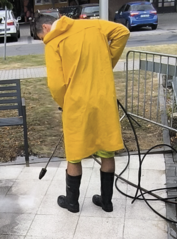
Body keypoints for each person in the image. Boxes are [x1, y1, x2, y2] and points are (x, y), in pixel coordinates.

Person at [37, 12, 130, 213]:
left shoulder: (53, 43)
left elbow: (55, 84)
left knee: (74, 155)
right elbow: (122, 32)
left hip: (76, 104)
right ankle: (106, 203)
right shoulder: (91, 25)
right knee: (106, 149)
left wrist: (64, 102)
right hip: (103, 99)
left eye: (41, 38)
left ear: (45, 28)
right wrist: (106, 62)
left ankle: (72, 203)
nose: (43, 41)